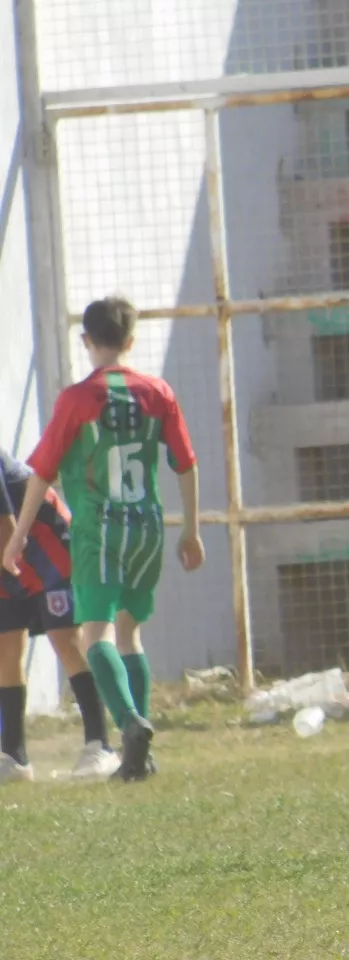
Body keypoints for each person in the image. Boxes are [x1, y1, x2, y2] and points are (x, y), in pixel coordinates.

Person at [2, 296, 205, 783]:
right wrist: (192, 529)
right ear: (131, 341)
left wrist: (18, 536)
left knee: (95, 634)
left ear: (86, 340)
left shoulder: (77, 399)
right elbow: (186, 461)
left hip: (99, 531)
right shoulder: (158, 392)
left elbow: (42, 471)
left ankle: (127, 725)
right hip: (147, 527)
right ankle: (140, 752)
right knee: (130, 632)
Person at [0, 449, 119, 781]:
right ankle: (15, 758)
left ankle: (100, 746)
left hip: (44, 540)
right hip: (7, 551)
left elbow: (7, 530)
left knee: (65, 639)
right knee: (6, 646)